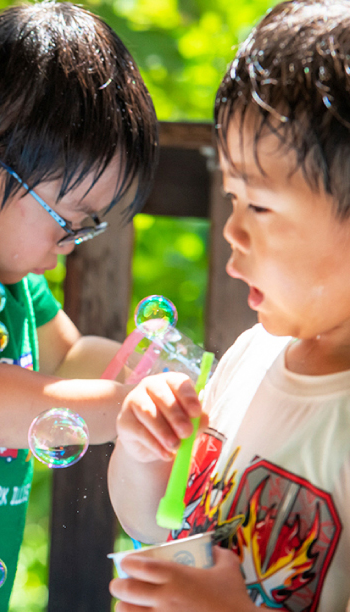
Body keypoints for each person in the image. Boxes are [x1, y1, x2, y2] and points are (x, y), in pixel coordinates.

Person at [108, 1, 350, 609]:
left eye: (260, 207)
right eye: (232, 198)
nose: (232, 232)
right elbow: (156, 525)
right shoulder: (251, 355)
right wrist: (144, 455)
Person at [0, 2, 158, 607]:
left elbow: (71, 356)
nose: (70, 246)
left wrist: (155, 379)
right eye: (68, 223)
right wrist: (127, 408)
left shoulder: (14, 280)